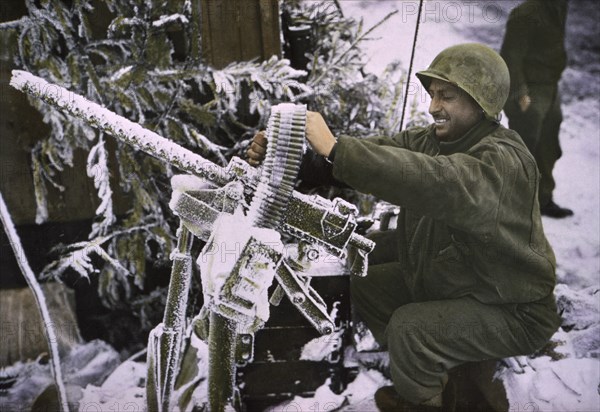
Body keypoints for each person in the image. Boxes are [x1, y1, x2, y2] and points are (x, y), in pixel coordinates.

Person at [247, 43, 561, 412]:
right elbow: (386, 155)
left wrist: (335, 147)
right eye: (432, 95)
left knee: (410, 329)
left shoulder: (503, 161)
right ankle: (430, 365)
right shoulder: (434, 140)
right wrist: (305, 163)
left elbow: (435, 181)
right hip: (466, 281)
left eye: (447, 96)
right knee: (367, 281)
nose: (433, 107)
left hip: (514, 310)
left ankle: (422, 397)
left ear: (480, 102)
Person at [500, 0, 573, 218]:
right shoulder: (526, 13)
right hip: (529, 91)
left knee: (549, 146)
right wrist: (520, 92)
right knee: (523, 148)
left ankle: (543, 199)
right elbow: (510, 56)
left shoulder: (557, 6)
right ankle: (514, 206)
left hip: (550, 87)